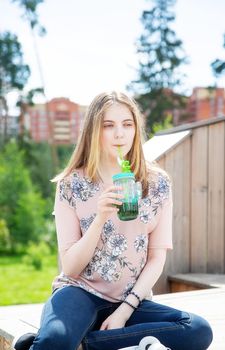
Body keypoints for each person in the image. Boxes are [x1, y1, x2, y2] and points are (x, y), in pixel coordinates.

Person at [14, 91, 213, 350]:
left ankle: (82, 344)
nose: (120, 134)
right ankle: (61, 341)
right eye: (109, 125)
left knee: (197, 330)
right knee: (56, 340)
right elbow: (71, 267)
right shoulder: (71, 184)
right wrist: (100, 218)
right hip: (79, 292)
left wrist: (124, 311)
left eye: (127, 124)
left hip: (131, 299)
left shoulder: (157, 183)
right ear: (94, 131)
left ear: (135, 129)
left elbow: (156, 257)